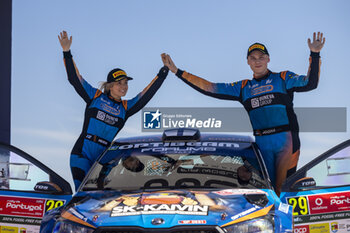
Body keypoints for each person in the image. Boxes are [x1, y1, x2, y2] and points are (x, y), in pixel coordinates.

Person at [161, 32, 325, 195]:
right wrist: (177, 72)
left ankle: (289, 219)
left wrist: (315, 55)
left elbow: (310, 83)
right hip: (261, 142)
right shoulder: (243, 88)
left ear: (268, 59)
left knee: (283, 190)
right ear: (248, 62)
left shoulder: (283, 78)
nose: (257, 61)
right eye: (253, 58)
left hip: (286, 140)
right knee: (265, 190)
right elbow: (209, 88)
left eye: (261, 57)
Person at [58, 31, 169, 191]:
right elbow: (74, 79)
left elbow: (146, 95)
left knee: (101, 196)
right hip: (81, 154)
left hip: (102, 158)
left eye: (125, 83)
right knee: (82, 194)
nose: (124, 86)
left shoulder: (126, 107)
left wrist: (163, 73)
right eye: (119, 83)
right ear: (110, 85)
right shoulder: (94, 96)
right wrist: (67, 52)